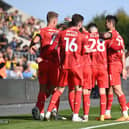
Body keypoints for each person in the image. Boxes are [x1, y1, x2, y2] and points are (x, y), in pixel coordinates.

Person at [45, 14, 86, 122]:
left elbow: (53, 47)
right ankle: (75, 115)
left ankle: (48, 112)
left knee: (59, 90)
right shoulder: (81, 36)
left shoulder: (61, 33)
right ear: (80, 23)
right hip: (76, 66)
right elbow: (83, 52)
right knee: (78, 89)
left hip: (64, 65)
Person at [29, 11, 60, 120]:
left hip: (42, 63)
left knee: (42, 88)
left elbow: (35, 40)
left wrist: (31, 46)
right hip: (54, 64)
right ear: (55, 20)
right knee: (55, 88)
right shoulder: (58, 32)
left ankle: (40, 111)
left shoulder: (41, 31)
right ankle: (52, 110)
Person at [104, 15, 129, 121]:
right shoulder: (119, 36)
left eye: (106, 22)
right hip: (117, 64)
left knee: (117, 89)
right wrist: (123, 68)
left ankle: (125, 113)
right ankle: (107, 113)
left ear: (110, 23)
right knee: (109, 88)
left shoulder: (112, 34)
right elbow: (122, 52)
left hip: (113, 64)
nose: (105, 24)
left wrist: (92, 33)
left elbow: (105, 35)